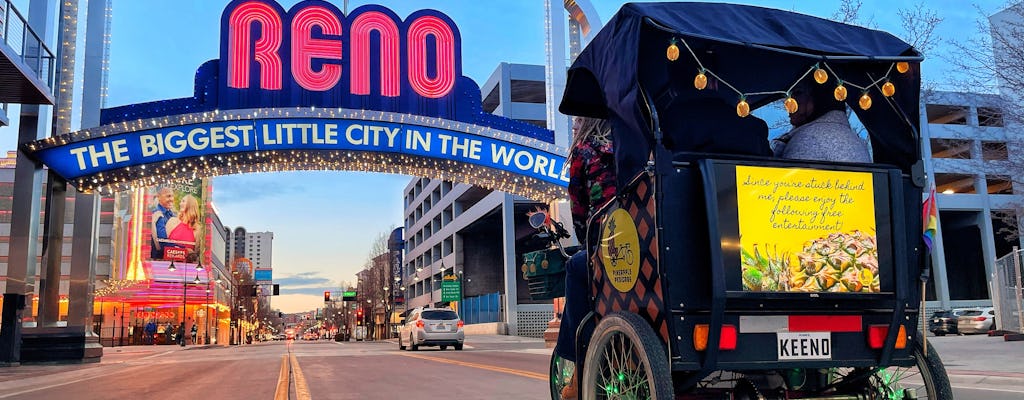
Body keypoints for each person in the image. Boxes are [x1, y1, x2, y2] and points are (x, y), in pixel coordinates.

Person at [555, 117, 616, 400]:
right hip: (655, 237)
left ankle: (580, 366)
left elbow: (578, 209)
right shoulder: (635, 140)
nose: (575, 124)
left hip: (611, 244)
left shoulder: (585, 150)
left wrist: (586, 241)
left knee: (576, 266)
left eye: (579, 119)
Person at [772, 78, 871, 162]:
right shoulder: (856, 142)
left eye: (798, 93)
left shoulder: (809, 141)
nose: (788, 103)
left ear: (818, 98)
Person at [165, 194, 200, 260]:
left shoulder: (197, 229)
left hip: (187, 267)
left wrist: (192, 254)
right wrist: (183, 249)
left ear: (190, 205)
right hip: (168, 263)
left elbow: (197, 254)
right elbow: (162, 242)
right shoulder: (172, 221)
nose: (180, 203)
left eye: (183, 201)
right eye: (181, 201)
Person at [150, 187, 176, 259]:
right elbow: (162, 242)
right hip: (159, 260)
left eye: (172, 196)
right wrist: (182, 248)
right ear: (159, 197)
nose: (171, 199)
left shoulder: (173, 215)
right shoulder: (158, 215)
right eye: (168, 196)